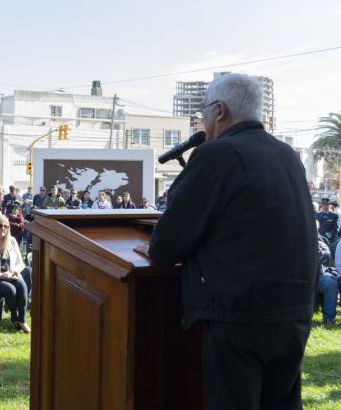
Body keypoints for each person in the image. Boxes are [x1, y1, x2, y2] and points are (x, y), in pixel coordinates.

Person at [145, 73, 316, 410]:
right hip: (293, 313)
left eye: (203, 111)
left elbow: (165, 245)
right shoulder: (287, 156)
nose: (201, 120)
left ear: (219, 111)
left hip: (240, 317)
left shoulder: (218, 154)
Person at [317, 233, 339, 326]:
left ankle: (329, 319)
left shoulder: (321, 243)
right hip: (299, 278)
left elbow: (327, 260)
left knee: (331, 283)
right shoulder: (294, 240)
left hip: (319, 276)